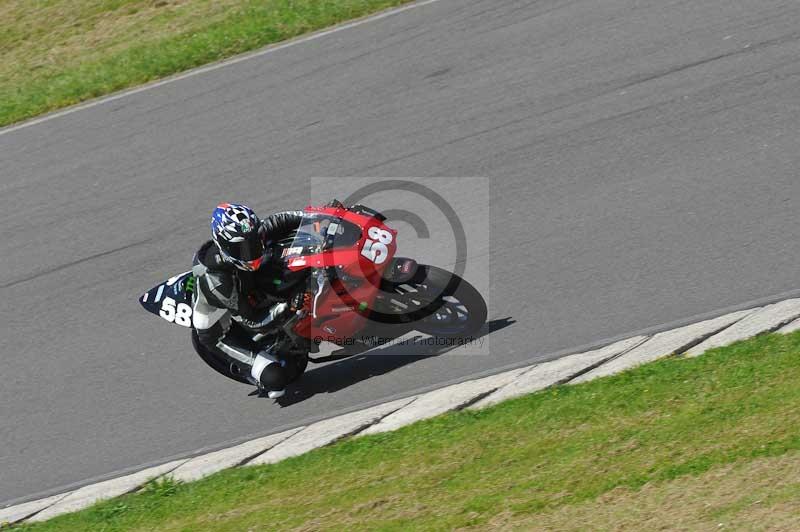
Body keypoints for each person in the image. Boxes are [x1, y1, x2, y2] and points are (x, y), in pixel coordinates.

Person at [191, 203, 303, 398]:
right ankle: (254, 373)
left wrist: (319, 214)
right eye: (243, 248)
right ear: (225, 247)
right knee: (276, 379)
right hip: (223, 331)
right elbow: (253, 320)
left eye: (254, 242)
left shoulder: (248, 235)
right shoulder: (219, 283)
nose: (251, 251)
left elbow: (278, 221)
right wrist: (289, 306)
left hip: (245, 285)